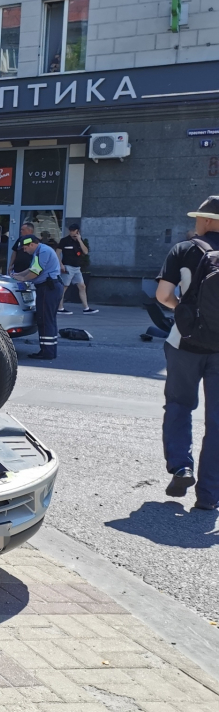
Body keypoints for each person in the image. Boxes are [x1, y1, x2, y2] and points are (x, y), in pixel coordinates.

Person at [154, 196, 219, 512]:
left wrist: (184, 312)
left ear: (206, 221)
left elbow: (163, 295)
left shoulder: (184, 249)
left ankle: (182, 467)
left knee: (179, 405)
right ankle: (209, 495)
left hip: (184, 343)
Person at [11, 234, 63, 359]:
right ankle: (50, 350)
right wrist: (18, 275)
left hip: (48, 288)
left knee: (44, 320)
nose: (24, 250)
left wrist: (22, 279)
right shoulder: (41, 250)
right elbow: (31, 269)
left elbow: (35, 272)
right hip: (51, 287)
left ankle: (47, 352)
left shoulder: (43, 251)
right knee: (49, 319)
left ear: (32, 244)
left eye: (25, 248)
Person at [58, 223, 97, 314]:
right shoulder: (64, 241)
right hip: (67, 266)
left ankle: (86, 308)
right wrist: (61, 265)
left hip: (77, 267)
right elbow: (57, 253)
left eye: (73, 230)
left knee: (82, 286)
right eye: (70, 230)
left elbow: (86, 252)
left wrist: (79, 240)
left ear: (77, 231)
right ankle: (60, 308)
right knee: (64, 287)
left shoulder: (79, 240)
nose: (71, 232)